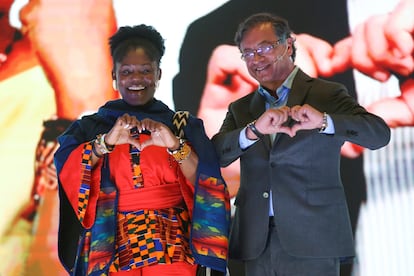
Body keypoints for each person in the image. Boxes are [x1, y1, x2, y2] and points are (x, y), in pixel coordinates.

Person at [211, 12, 391, 276]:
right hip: (255, 242)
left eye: (264, 48)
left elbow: (378, 134)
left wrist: (325, 121)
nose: (256, 59)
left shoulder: (325, 94)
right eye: (247, 53)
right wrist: (253, 131)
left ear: (288, 45)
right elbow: (215, 155)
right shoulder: (242, 108)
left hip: (313, 239)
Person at [54, 24, 230, 276]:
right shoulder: (91, 128)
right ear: (114, 76)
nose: (136, 79)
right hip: (111, 247)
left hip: (173, 249)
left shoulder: (183, 125)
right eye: (126, 71)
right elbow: (66, 169)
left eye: (146, 70)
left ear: (159, 74)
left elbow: (208, 185)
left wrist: (174, 145)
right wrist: (105, 143)